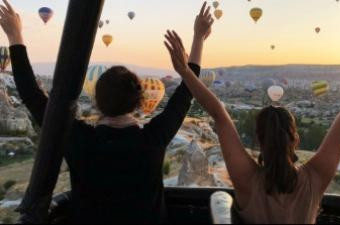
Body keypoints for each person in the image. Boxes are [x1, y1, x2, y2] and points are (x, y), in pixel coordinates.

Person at [0, 0, 214, 223]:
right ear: (139, 102)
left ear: (96, 100)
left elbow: (31, 94)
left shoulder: (79, 139)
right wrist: (199, 37)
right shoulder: (152, 139)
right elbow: (186, 92)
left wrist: (15, 36)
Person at [164, 31, 340, 224]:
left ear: (258, 139)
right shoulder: (314, 179)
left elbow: (219, 114)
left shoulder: (247, 180)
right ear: (296, 139)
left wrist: (185, 71)